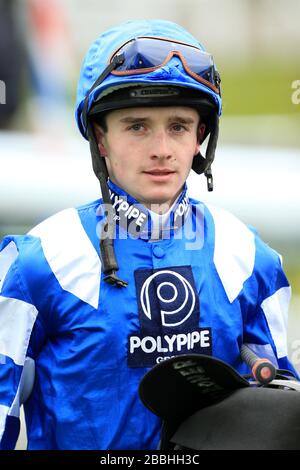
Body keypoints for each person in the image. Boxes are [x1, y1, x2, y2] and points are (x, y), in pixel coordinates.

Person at [0, 19, 297, 450]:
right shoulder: (38, 264)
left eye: (178, 126)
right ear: (101, 139)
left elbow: (283, 416)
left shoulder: (251, 259)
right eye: (137, 126)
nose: (161, 148)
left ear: (201, 137)